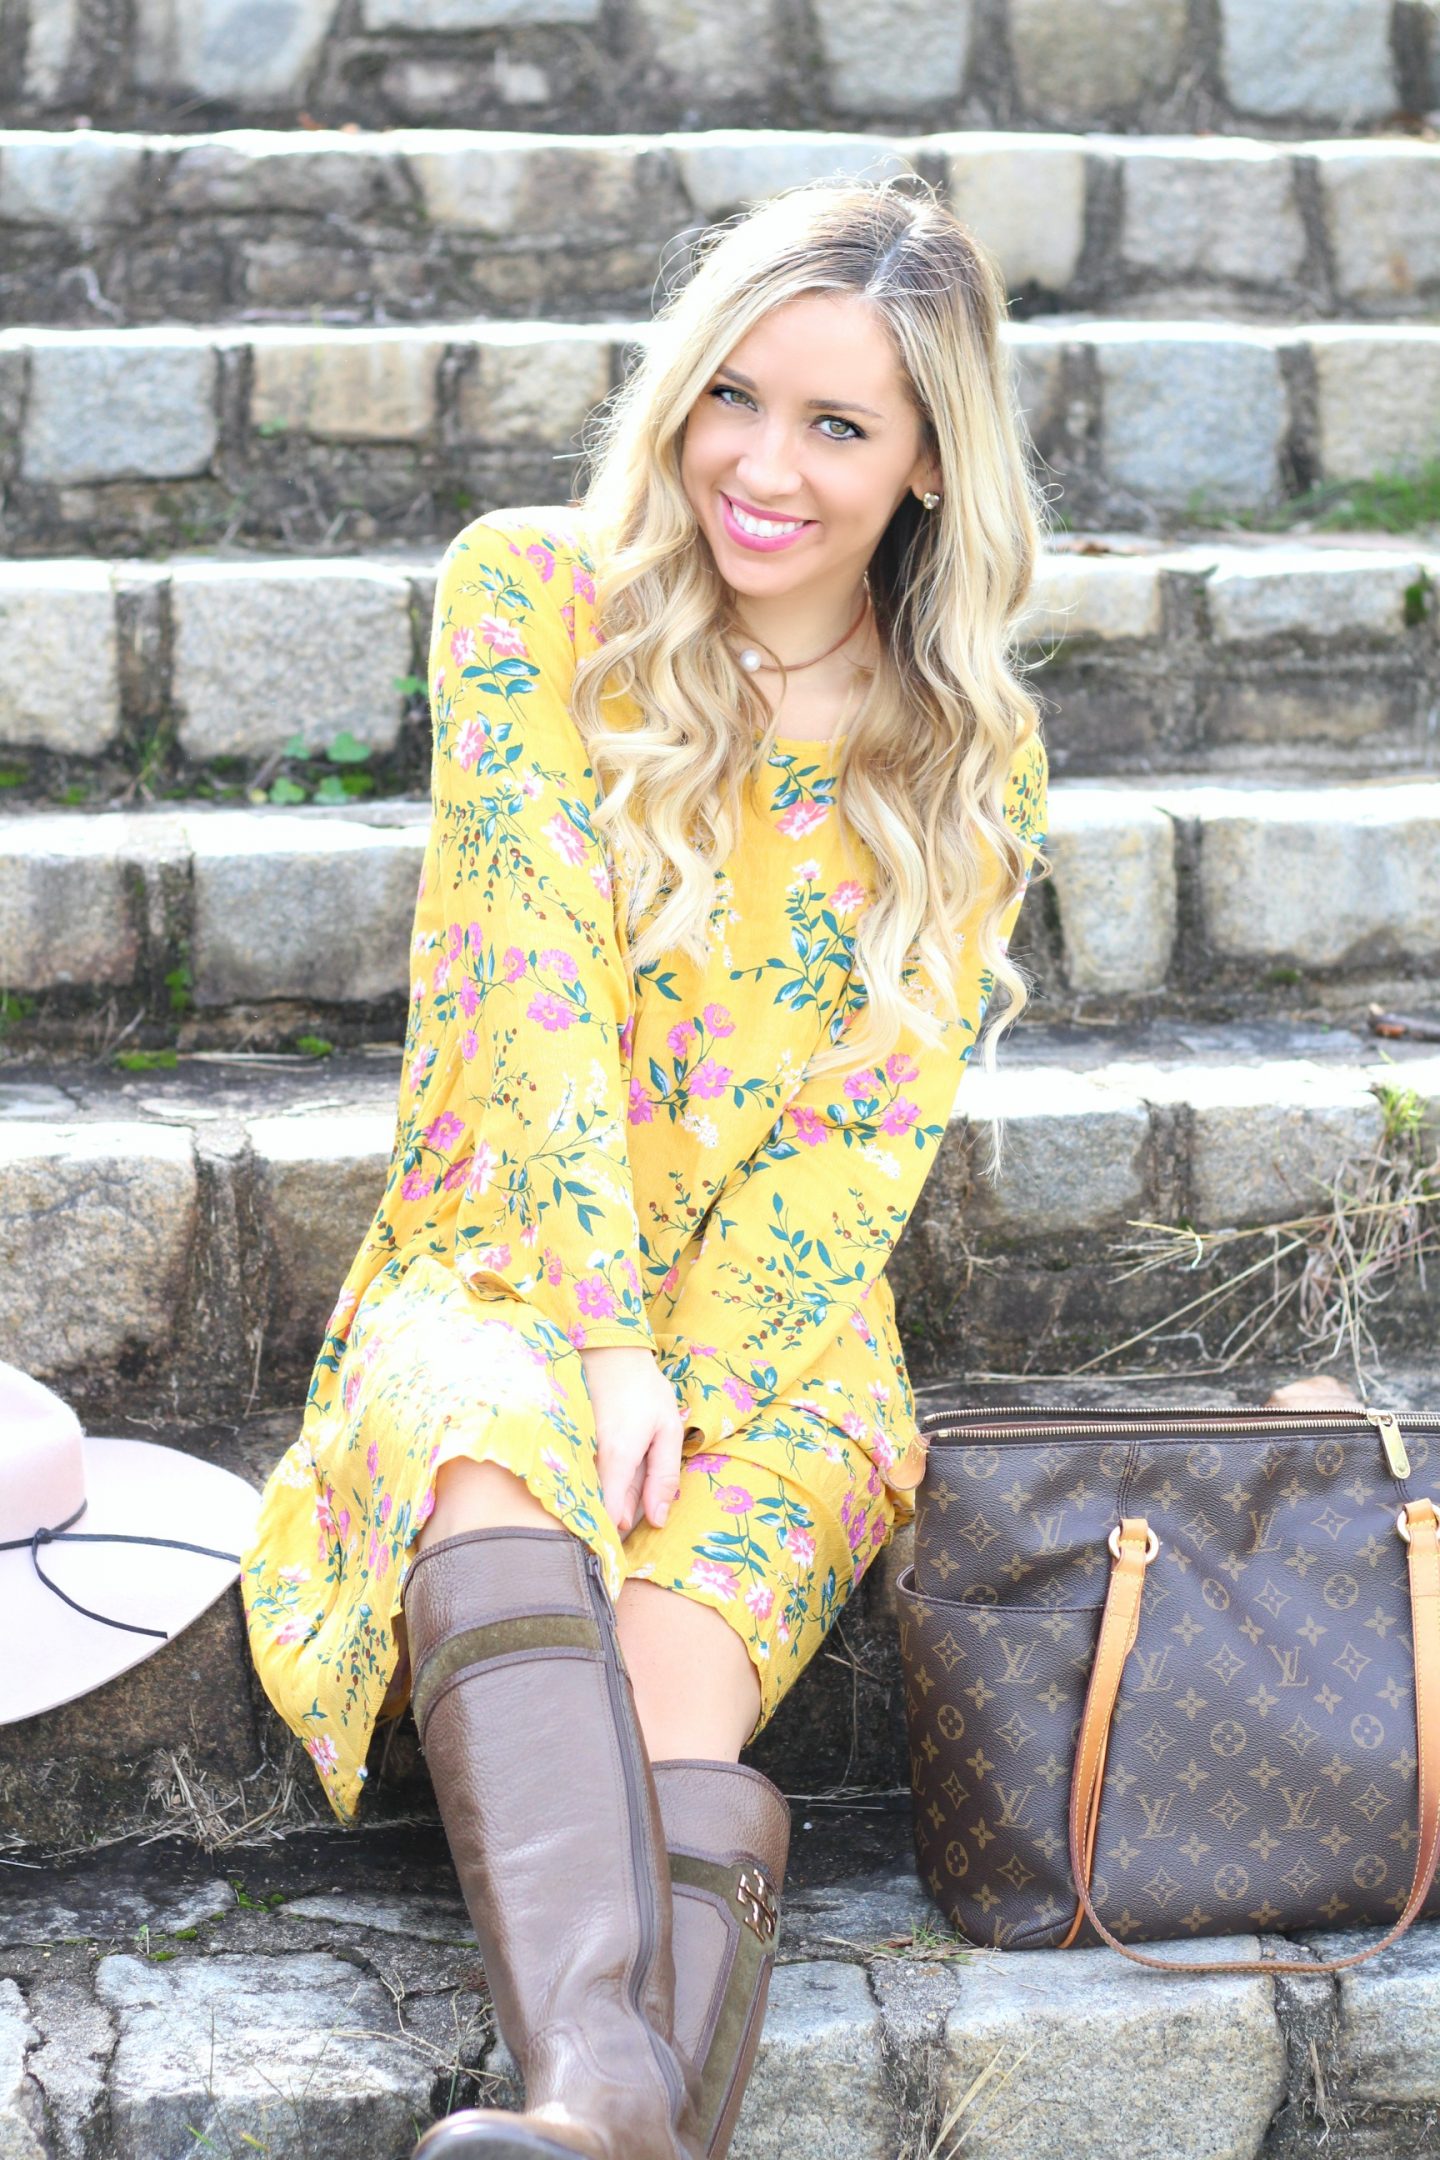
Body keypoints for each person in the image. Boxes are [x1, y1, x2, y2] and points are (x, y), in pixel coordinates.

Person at [239, 174, 1050, 2160]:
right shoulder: (532, 592)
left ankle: (593, 2112)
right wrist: (605, 1349)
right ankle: (617, 2099)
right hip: (510, 1262)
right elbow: (529, 993)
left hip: (782, 1352)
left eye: (840, 426)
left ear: (930, 460)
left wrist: (692, 1380)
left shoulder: (969, 757)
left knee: (661, 1698)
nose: (765, 468)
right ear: (681, 392)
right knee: (482, 1440)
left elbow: (863, 1147)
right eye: (735, 399)